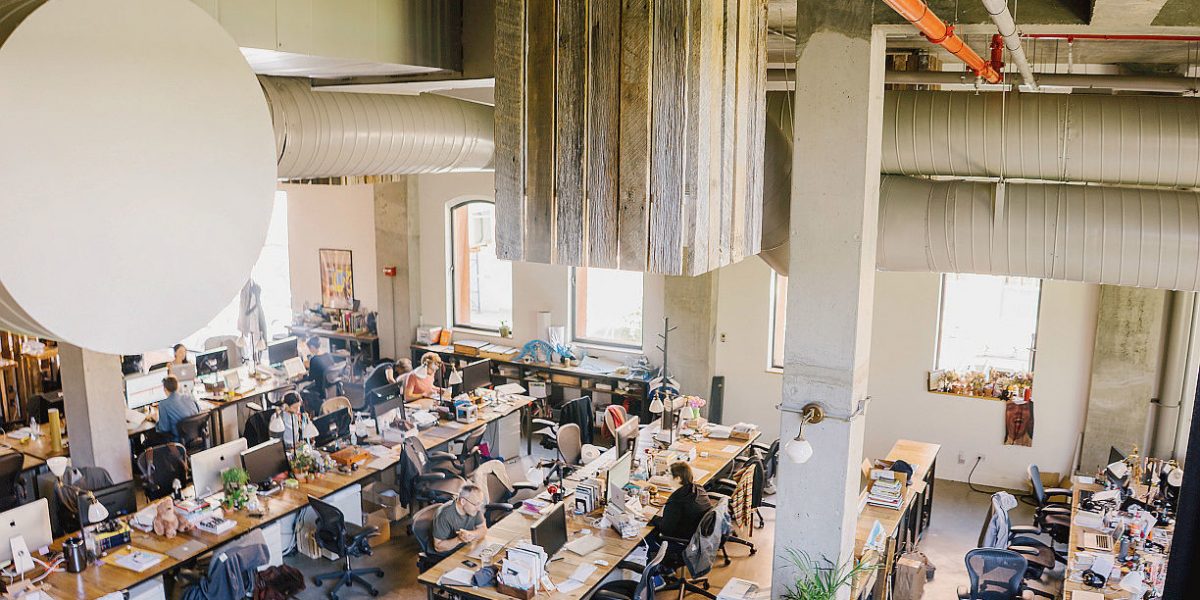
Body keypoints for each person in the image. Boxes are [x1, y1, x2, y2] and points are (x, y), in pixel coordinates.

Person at [657, 462, 714, 541]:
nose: (665, 476)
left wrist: (652, 518)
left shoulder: (677, 501)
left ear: (678, 478)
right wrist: (668, 503)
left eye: (668, 474)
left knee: (649, 533)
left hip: (686, 537)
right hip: (701, 531)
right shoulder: (698, 487)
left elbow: (665, 529)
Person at [431, 483, 488, 554]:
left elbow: (483, 529)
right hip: (448, 554)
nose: (479, 508)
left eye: (480, 504)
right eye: (476, 504)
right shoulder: (445, 515)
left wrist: (471, 534)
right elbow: (438, 547)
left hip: (466, 548)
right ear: (463, 501)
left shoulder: (474, 509)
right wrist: (459, 539)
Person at [155, 376, 200, 442]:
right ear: (178, 386)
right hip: (197, 437)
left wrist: (156, 420)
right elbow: (199, 413)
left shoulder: (163, 405)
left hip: (178, 442)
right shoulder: (189, 397)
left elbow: (164, 429)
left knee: (150, 439)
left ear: (165, 389)